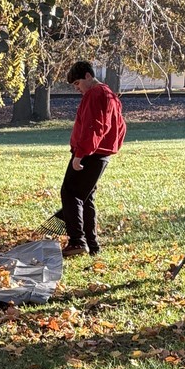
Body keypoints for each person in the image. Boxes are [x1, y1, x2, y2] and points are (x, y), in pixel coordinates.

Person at [60, 60, 126, 258]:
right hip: (101, 153)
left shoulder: (95, 94)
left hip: (91, 153)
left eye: (77, 84)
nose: (77, 89)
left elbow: (94, 127)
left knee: (70, 193)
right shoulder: (109, 94)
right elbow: (120, 126)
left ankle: (77, 241)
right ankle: (92, 243)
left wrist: (80, 154)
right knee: (86, 197)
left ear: (88, 76)